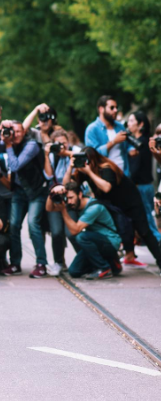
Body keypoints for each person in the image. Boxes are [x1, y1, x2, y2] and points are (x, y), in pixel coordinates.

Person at [66, 147, 161, 272]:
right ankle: (122, 259)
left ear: (93, 160)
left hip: (130, 201)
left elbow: (106, 188)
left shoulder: (105, 168)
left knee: (144, 231)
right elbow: (68, 186)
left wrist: (89, 172)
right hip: (113, 205)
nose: (83, 163)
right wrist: (70, 168)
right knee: (121, 231)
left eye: (85, 160)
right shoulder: (84, 170)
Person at [0, 120, 50, 278]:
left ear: (24, 132)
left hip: (36, 191)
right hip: (19, 192)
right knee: (14, 226)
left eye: (18, 131)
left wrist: (8, 146)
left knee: (33, 225)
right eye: (11, 131)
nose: (14, 134)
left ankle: (41, 264)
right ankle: (15, 264)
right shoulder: (9, 141)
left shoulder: (32, 145)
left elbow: (15, 166)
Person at [47, 182, 122, 280]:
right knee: (74, 271)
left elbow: (75, 231)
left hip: (110, 241)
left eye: (71, 198)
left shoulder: (94, 208)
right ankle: (112, 264)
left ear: (80, 195)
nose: (69, 202)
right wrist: (52, 193)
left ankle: (104, 268)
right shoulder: (74, 203)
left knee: (81, 237)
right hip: (95, 242)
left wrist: (63, 211)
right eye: (67, 198)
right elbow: (49, 208)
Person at [43, 129, 80, 273]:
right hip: (55, 194)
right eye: (58, 144)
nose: (61, 147)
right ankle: (59, 262)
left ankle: (84, 258)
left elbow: (84, 157)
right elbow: (48, 175)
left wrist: (66, 154)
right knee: (57, 231)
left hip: (70, 194)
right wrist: (47, 155)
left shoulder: (74, 151)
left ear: (68, 142)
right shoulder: (52, 155)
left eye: (64, 143)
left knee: (71, 232)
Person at [126, 111, 161, 242]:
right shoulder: (141, 142)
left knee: (148, 219)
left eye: (131, 121)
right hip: (145, 185)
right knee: (148, 217)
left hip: (141, 186)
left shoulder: (143, 143)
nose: (128, 124)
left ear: (140, 124)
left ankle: (158, 242)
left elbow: (136, 168)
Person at [85, 95, 130, 175]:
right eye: (112, 108)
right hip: (105, 176)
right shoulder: (92, 129)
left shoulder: (120, 126)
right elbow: (92, 155)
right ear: (101, 109)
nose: (115, 110)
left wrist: (131, 149)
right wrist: (113, 142)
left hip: (124, 174)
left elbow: (127, 146)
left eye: (116, 107)